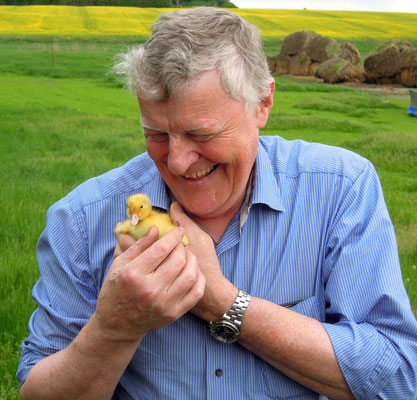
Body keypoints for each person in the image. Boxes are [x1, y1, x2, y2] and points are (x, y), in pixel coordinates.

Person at [17, 7, 417, 400]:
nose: (176, 161)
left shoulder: (341, 189)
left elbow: (399, 378)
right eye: (156, 133)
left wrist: (224, 303)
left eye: (200, 133)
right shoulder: (82, 219)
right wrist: (115, 327)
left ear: (262, 103)